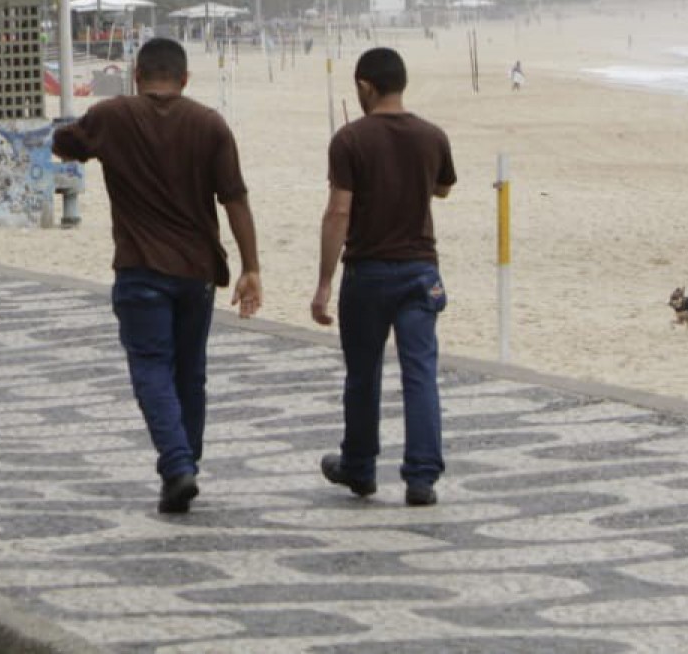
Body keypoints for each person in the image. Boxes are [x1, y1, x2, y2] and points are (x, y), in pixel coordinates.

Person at [50, 36, 262, 515]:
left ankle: (177, 463)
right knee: (191, 372)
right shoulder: (210, 125)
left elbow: (65, 145)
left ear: (135, 75)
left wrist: (80, 143)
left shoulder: (113, 116)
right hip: (198, 272)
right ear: (185, 79)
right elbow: (235, 200)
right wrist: (251, 268)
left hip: (140, 269)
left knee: (150, 367)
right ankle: (187, 462)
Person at [313, 46, 455, 508]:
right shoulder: (432, 135)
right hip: (419, 270)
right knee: (420, 372)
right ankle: (421, 476)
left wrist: (324, 283)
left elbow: (338, 211)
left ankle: (359, 465)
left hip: (368, 271)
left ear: (364, 87)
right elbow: (444, 187)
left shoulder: (350, 140)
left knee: (363, 374)